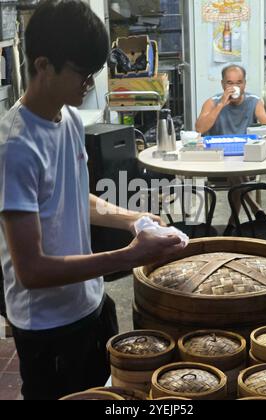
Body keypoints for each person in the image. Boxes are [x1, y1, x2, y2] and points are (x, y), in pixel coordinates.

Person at [0, 0, 185, 400]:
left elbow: (73, 197)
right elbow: (30, 269)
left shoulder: (65, 118)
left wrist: (132, 218)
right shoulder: (15, 147)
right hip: (48, 325)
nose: (89, 85)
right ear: (44, 65)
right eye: (83, 74)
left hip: (90, 303)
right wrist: (130, 255)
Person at [196, 64, 266, 234]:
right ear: (223, 84)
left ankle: (233, 222)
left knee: (236, 171)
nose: (234, 87)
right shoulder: (212, 102)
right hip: (218, 160)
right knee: (234, 171)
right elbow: (200, 129)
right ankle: (255, 210)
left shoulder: (254, 101)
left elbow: (265, 121)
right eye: (230, 83)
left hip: (246, 159)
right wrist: (221, 105)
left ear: (244, 83)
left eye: (239, 82)